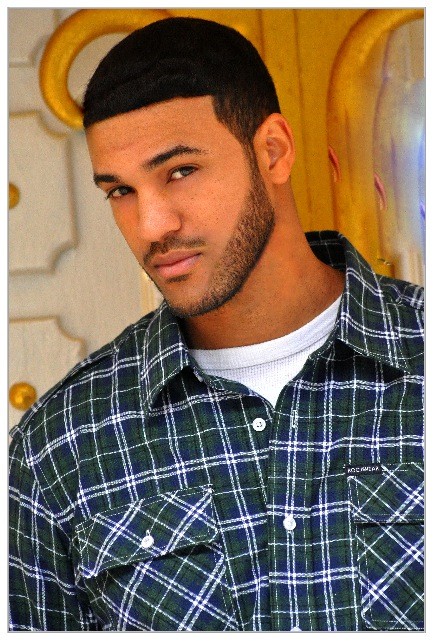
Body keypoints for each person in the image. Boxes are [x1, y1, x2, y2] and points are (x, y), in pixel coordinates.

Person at [9, 17, 424, 632]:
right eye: (120, 191)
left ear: (273, 151)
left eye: (180, 171)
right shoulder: (61, 445)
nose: (152, 225)